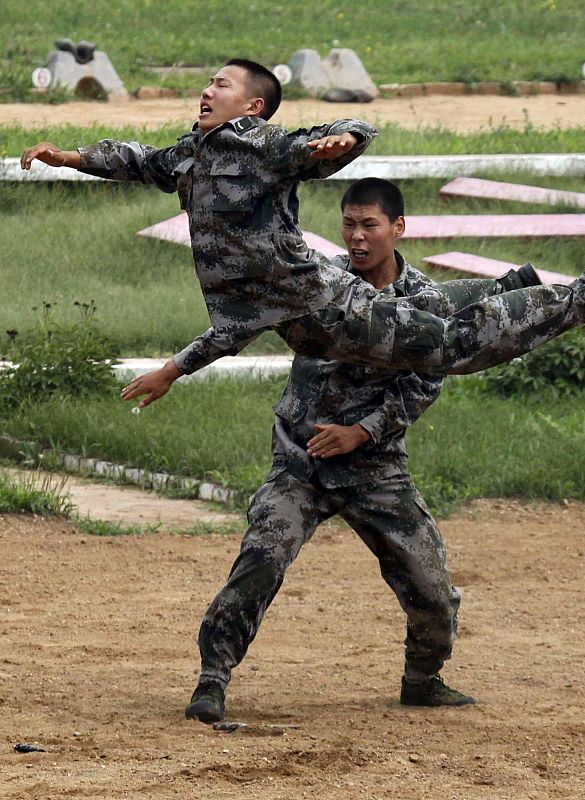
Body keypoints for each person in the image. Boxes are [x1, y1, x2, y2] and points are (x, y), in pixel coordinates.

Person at [20, 59, 585, 405]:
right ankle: (511, 285)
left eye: (220, 84)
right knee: (428, 315)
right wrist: (69, 157)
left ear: (251, 106)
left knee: (448, 350)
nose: (205, 90)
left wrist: (342, 141)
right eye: (205, 83)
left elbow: (324, 144)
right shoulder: (191, 155)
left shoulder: (261, 147)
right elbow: (139, 162)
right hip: (309, 315)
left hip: (331, 311)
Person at [186, 178, 488, 723]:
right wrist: (172, 369)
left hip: (375, 469)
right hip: (300, 463)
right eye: (349, 223)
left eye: (369, 225)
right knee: (261, 558)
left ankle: (423, 679)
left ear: (398, 229)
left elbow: (425, 381)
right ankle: (212, 680)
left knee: (432, 587)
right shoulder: (316, 283)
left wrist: (365, 432)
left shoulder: (425, 303)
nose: (356, 236)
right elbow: (243, 323)